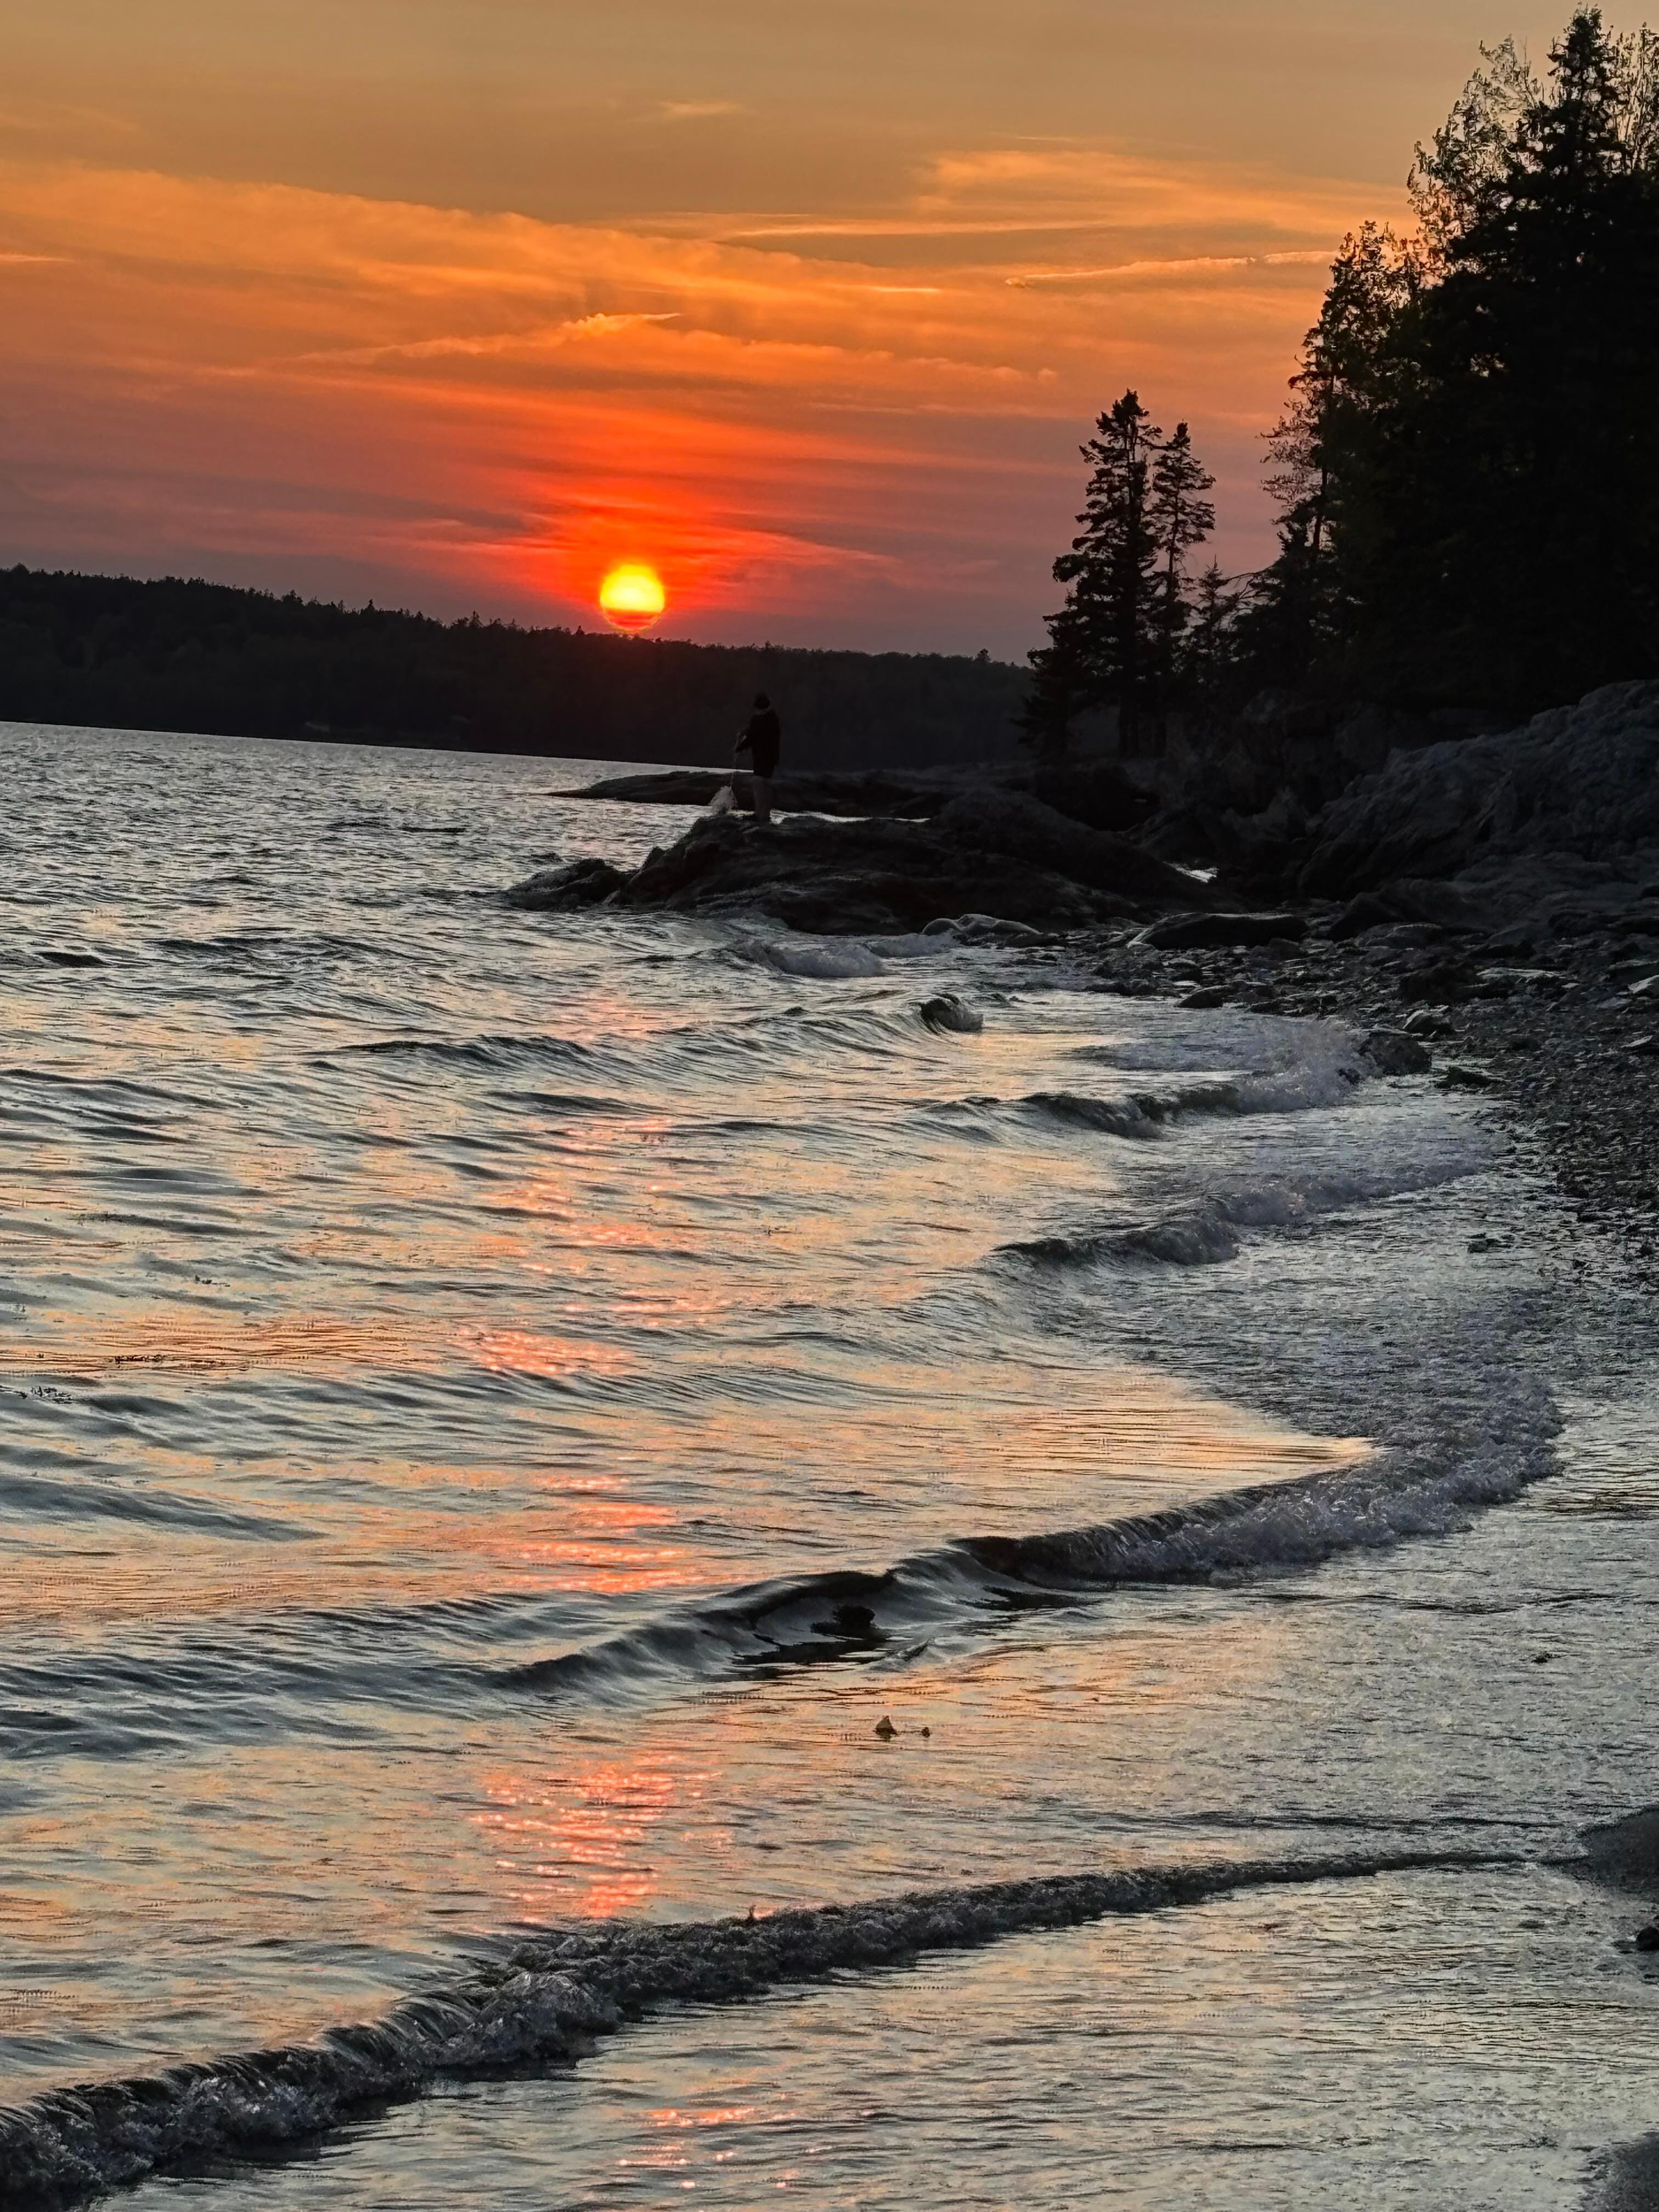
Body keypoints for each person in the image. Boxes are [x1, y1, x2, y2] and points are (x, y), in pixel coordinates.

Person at [733, 692, 781, 826]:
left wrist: (739, 747)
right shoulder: (773, 718)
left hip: (762, 756)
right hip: (771, 757)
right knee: (766, 783)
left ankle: (759, 814)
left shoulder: (758, 720)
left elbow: (753, 736)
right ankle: (765, 815)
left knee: (758, 782)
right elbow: (754, 732)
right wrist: (746, 732)